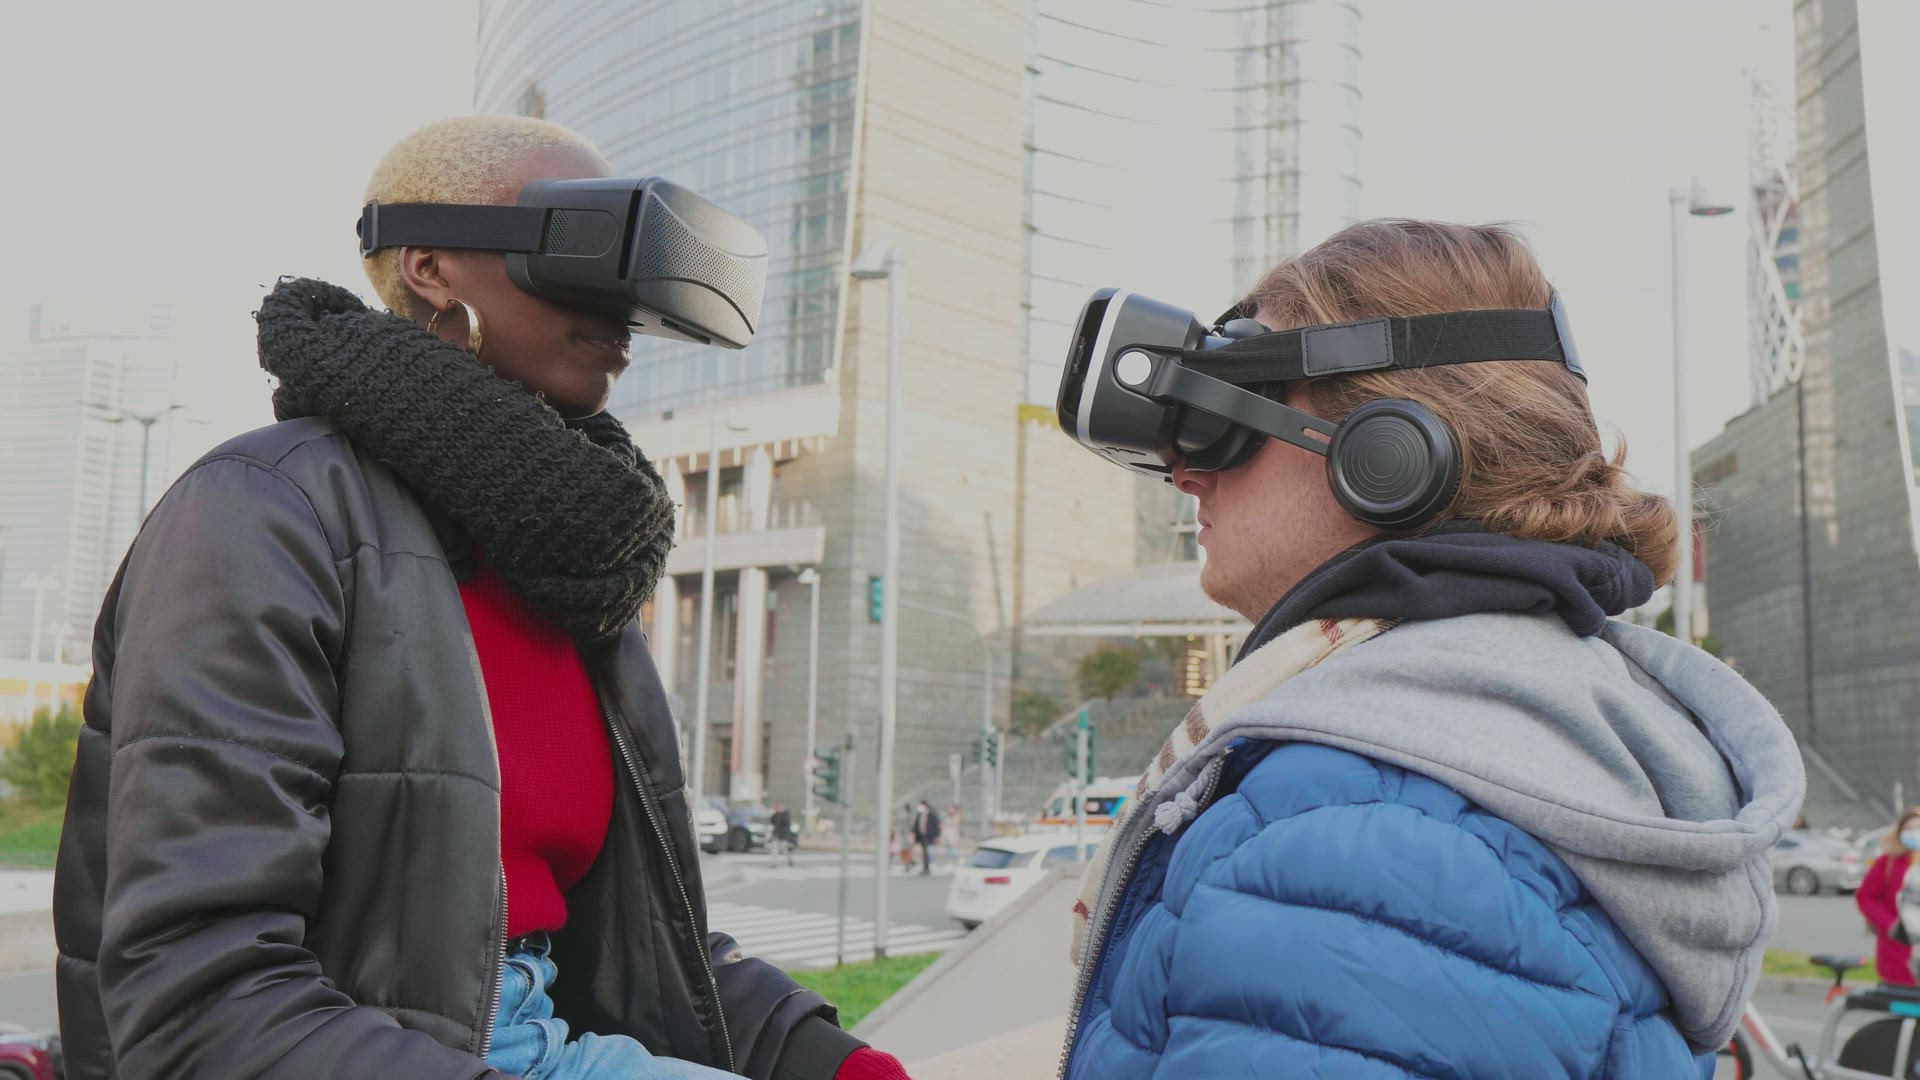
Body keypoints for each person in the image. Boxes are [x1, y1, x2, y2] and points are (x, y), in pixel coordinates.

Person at [54, 115, 907, 1080]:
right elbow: (199, 990)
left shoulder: (565, 559)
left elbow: (640, 943)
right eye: (587, 257)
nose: (621, 312)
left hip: (537, 1037)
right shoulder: (265, 511)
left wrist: (829, 1059)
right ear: (430, 267)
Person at [1059, 221, 1803, 1078]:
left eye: (1226, 426)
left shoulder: (1356, 841)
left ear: (1386, 453)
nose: (1187, 475)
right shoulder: (1537, 732)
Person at [1856, 808, 1920, 985]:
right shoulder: (1888, 862)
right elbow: (1866, 897)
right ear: (1899, 833)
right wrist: (1891, 925)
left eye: (1918, 827)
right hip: (1896, 950)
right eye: (1909, 828)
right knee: (1903, 1004)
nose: (1915, 833)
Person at [769, 803, 796, 867]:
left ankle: (790, 860)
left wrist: (780, 814)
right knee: (774, 850)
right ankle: (774, 863)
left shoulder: (786, 814)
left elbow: (786, 823)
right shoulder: (776, 815)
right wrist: (774, 814)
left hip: (783, 836)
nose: (777, 809)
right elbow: (771, 821)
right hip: (776, 835)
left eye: (778, 808)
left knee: (784, 849)